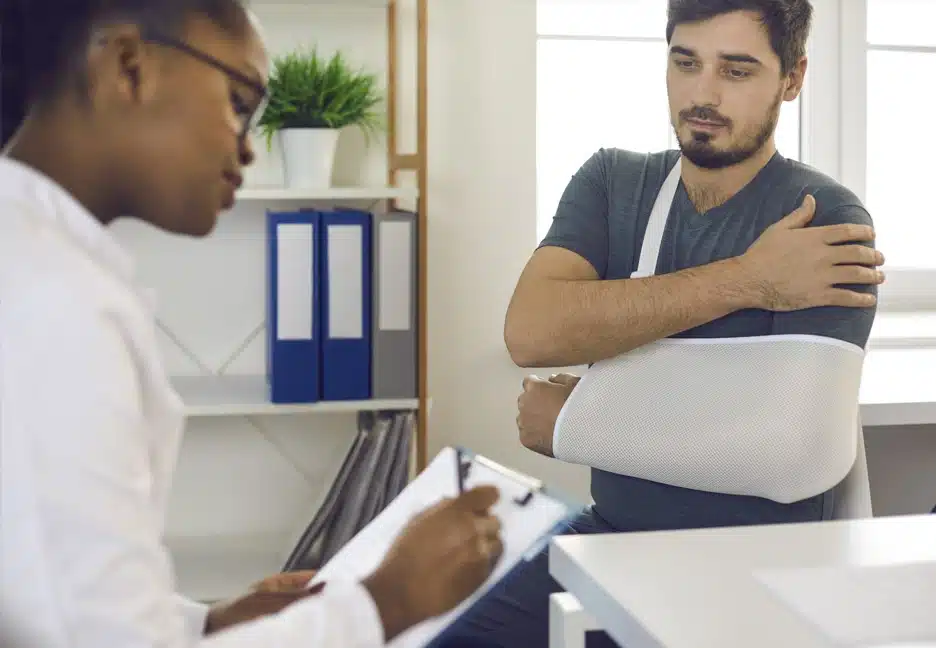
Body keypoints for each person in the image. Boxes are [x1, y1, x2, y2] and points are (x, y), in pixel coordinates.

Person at [0, 1, 504, 647]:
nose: (248, 148)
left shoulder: (40, 260)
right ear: (128, 67)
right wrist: (387, 602)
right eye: (240, 102)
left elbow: (46, 593)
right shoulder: (51, 301)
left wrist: (204, 622)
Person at [439, 1, 885, 647]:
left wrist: (578, 424)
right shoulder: (613, 183)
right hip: (613, 540)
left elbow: (794, 455)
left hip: (761, 572)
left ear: (793, 78)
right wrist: (750, 279)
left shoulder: (824, 219)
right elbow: (531, 333)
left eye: (736, 71)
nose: (702, 93)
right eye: (686, 63)